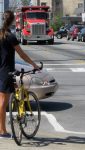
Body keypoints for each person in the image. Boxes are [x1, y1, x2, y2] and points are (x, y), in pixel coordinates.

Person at [0, 10, 39, 138]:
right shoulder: (10, 37)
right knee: (3, 102)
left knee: (10, 95)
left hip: (2, 71)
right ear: (11, 21)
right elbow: (22, 54)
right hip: (6, 71)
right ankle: (3, 131)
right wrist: (34, 65)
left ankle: (9, 122)